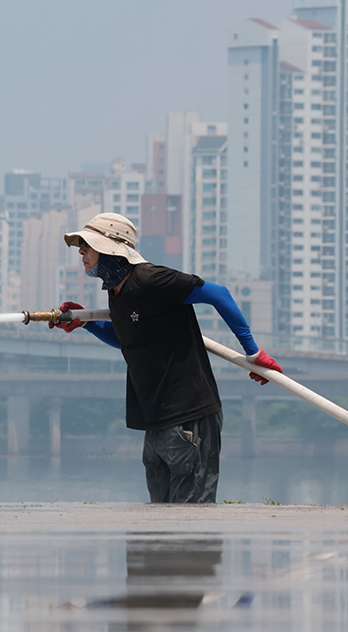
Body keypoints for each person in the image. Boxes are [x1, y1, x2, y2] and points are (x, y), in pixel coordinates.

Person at [52, 212, 282, 504]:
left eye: (88, 244)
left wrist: (253, 352)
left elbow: (219, 294)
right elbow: (129, 339)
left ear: (112, 249)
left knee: (191, 522)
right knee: (159, 522)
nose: (81, 251)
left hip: (189, 415)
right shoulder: (117, 291)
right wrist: (89, 323)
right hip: (156, 421)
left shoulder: (152, 279)